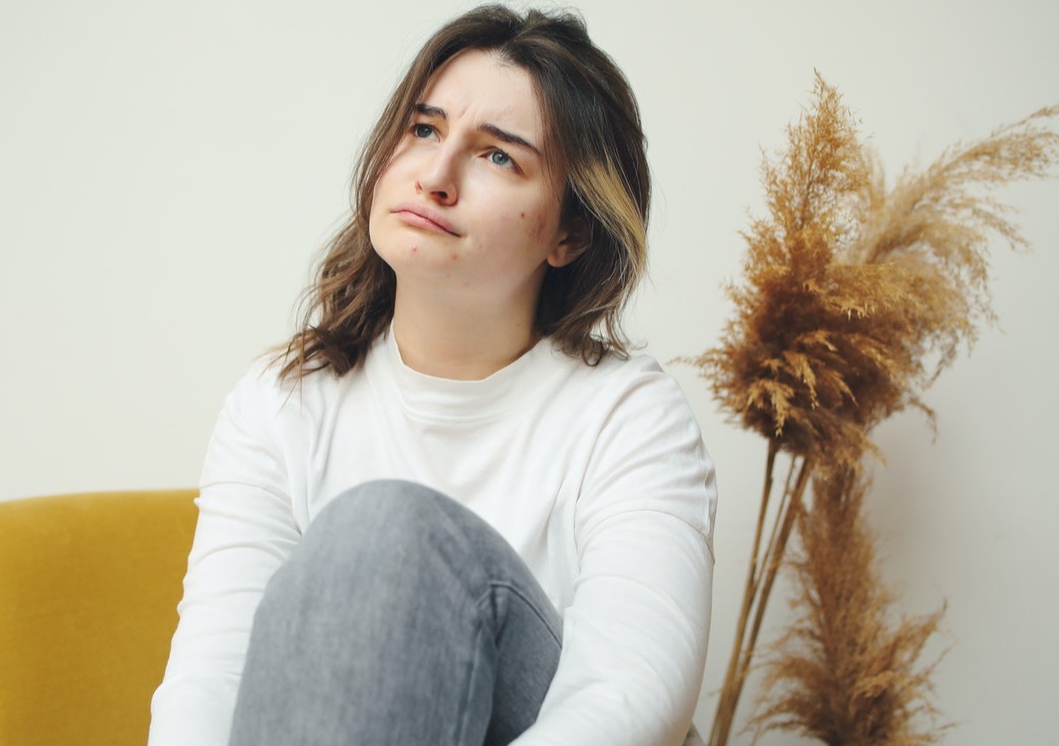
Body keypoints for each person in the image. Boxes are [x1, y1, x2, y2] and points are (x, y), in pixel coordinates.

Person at [148, 5, 716, 746]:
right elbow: (213, 680)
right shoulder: (281, 400)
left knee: (387, 529)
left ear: (570, 232)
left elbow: (630, 696)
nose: (437, 176)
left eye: (498, 156)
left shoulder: (629, 414)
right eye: (424, 130)